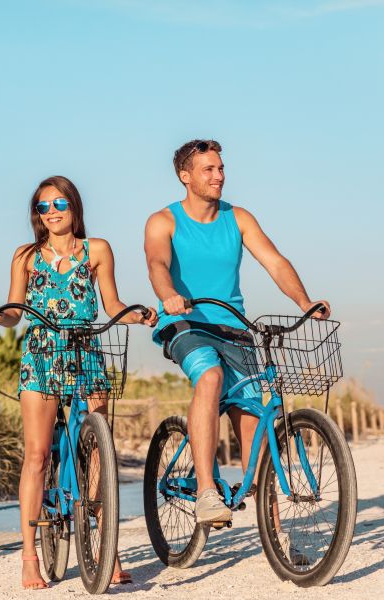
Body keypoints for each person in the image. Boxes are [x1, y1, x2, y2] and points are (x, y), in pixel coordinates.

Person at [0, 175, 156, 590]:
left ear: (74, 206)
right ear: (36, 215)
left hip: (87, 349)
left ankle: (104, 547)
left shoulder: (97, 250)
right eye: (43, 207)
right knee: (38, 455)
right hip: (40, 354)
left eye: (60, 203)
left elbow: (111, 304)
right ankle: (28, 556)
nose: (53, 212)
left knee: (100, 452)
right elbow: (15, 311)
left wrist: (137, 314)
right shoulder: (25, 256)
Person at [144, 139, 330, 525]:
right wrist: (170, 296)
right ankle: (208, 492)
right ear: (185, 176)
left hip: (234, 327)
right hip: (186, 323)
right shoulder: (164, 221)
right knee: (209, 377)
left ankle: (275, 532)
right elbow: (157, 264)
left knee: (253, 421)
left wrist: (304, 302)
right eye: (208, 169)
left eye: (221, 168)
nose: (219, 176)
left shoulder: (238, 218)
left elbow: (275, 262)